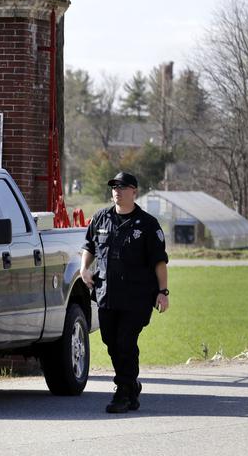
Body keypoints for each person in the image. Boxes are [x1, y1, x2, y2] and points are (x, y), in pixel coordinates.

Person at [80, 171, 169, 413]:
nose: (117, 191)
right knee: (111, 341)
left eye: (122, 187)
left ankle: (122, 392)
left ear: (134, 192)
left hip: (137, 296)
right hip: (107, 293)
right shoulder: (101, 218)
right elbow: (89, 246)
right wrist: (84, 268)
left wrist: (163, 292)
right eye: (114, 187)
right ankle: (131, 385)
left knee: (125, 341)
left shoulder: (148, 224)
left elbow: (159, 261)